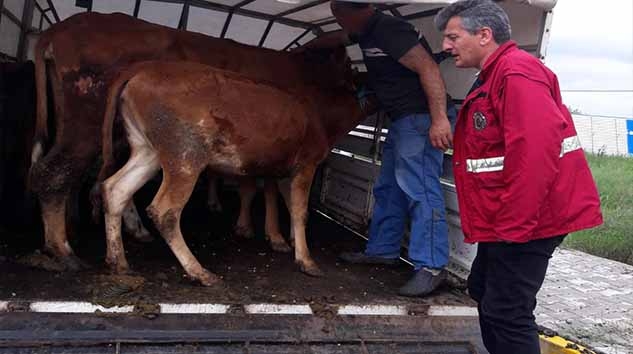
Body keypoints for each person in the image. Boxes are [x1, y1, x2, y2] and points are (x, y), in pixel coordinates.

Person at [434, 1, 603, 353]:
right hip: (512, 217)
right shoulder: (495, 73)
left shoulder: (516, 73)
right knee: (483, 291)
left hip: (531, 219)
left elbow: (535, 156)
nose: (446, 47)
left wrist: (513, 228)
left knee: (507, 310)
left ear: (484, 35)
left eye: (452, 37)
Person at [296, 1, 455, 297]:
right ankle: (383, 250)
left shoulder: (388, 29)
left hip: (420, 118)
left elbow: (429, 69)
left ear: (351, 12)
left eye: (338, 17)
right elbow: (335, 39)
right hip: (403, 119)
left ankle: (432, 266)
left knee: (419, 188)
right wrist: (307, 47)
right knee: (390, 187)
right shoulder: (366, 31)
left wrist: (439, 120)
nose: (338, 23)